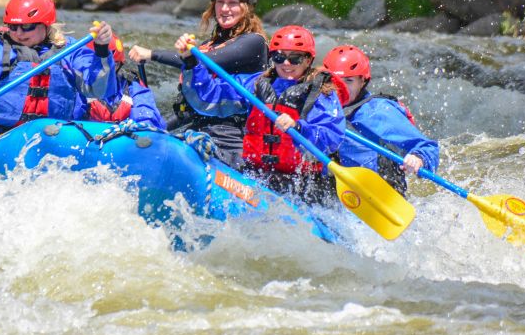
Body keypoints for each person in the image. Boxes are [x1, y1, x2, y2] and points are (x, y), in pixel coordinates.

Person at [175, 25, 347, 204]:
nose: (286, 64)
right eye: (279, 57)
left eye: (294, 58)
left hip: (301, 185)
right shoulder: (256, 84)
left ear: (308, 60)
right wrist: (191, 62)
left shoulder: (321, 93)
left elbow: (332, 136)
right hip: (256, 173)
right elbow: (209, 98)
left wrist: (298, 127)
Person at [0, 0, 116, 145]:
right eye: (13, 27)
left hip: (57, 136)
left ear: (45, 24)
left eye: (26, 26)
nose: (18, 33)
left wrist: (101, 49)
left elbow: (99, 90)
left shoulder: (70, 51)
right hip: (1, 138)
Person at [128, 0, 268, 132]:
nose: (224, 8)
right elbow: (192, 109)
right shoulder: (209, 44)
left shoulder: (254, 42)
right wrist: (160, 129)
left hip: (235, 131)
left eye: (232, 3)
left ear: (247, 8)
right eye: (220, 2)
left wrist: (152, 54)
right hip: (205, 125)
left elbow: (202, 62)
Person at [322, 45, 439, 195]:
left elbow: (428, 147)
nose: (341, 88)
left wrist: (418, 158)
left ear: (362, 81)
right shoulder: (320, 106)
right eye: (335, 81)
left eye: (349, 81)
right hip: (335, 187)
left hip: (378, 189)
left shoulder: (377, 111)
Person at [75, 33, 166, 129]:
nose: (107, 72)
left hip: (125, 134)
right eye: (100, 65)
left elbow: (146, 112)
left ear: (120, 65)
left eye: (114, 65)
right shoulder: (78, 85)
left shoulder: (131, 85)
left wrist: (143, 127)